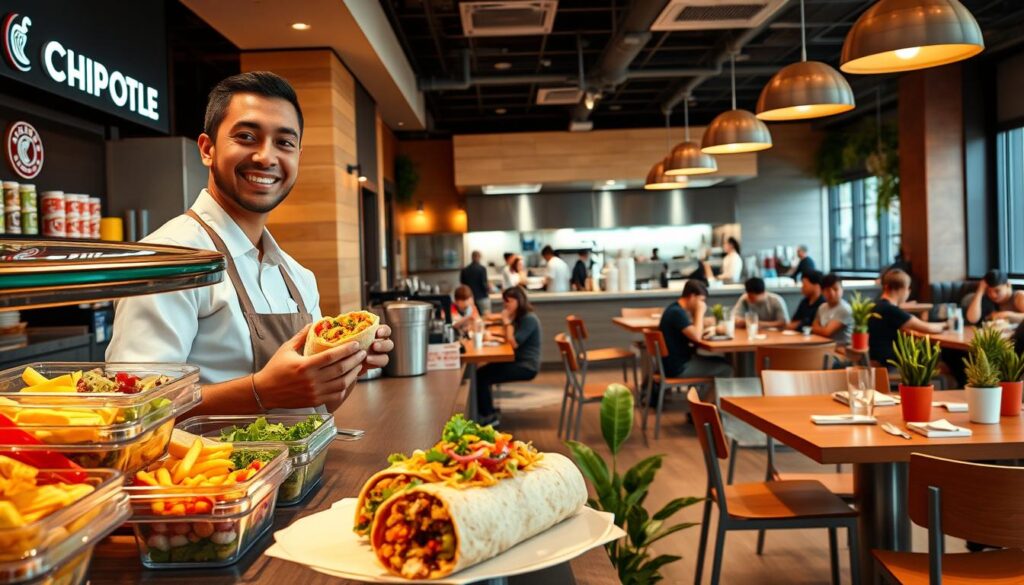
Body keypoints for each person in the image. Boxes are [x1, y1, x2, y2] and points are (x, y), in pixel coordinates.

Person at [106, 72, 393, 415]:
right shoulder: (167, 260)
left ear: (298, 155)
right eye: (246, 136)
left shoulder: (298, 276)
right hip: (207, 469)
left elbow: (322, 405)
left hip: (302, 467)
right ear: (207, 149)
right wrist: (260, 392)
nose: (265, 157)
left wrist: (346, 369)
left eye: (284, 143)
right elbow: (132, 406)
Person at [476, 287, 541, 426]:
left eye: (508, 302)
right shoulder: (520, 317)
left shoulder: (529, 318)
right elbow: (510, 337)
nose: (505, 305)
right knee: (481, 373)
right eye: (504, 302)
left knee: (482, 376)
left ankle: (489, 417)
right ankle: (489, 411)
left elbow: (513, 343)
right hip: (517, 360)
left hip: (526, 365)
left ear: (519, 301)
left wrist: (506, 321)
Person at [868, 269, 945, 366]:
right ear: (902, 289)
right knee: (941, 358)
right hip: (889, 361)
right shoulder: (891, 310)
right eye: (908, 288)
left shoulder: (877, 306)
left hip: (878, 357)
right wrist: (947, 324)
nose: (909, 292)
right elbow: (930, 328)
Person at [658, 280, 733, 379]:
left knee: (723, 361)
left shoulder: (675, 309)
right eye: (701, 300)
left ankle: (705, 394)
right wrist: (700, 311)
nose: (703, 304)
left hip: (674, 364)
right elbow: (697, 336)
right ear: (692, 296)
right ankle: (704, 395)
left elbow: (691, 329)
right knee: (726, 368)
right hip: (679, 367)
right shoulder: (676, 313)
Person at [812, 273, 853, 347]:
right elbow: (813, 327)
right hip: (824, 347)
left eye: (835, 289)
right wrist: (819, 329)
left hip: (841, 350)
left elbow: (827, 332)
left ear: (842, 290)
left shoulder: (844, 309)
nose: (832, 293)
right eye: (827, 290)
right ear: (822, 292)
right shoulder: (822, 307)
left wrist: (819, 329)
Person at [459, 250, 491, 315]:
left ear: (472, 257)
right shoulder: (482, 269)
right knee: (486, 316)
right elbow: (483, 283)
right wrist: (489, 289)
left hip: (469, 298)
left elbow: (462, 284)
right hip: (482, 297)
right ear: (479, 257)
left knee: (472, 317)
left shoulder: (465, 270)